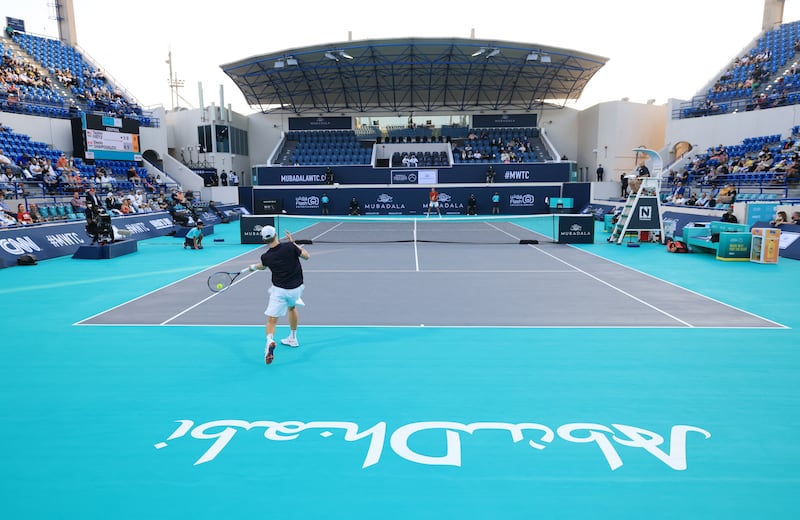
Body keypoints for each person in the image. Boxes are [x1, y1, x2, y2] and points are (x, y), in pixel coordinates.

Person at [242, 225, 310, 365]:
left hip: (279, 291)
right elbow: (306, 256)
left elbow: (262, 266)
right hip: (296, 289)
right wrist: (293, 243)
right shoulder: (290, 247)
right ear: (276, 235)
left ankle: (269, 341)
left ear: (263, 239)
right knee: (292, 308)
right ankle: (293, 337)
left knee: (272, 320)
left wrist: (252, 267)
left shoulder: (266, 257)